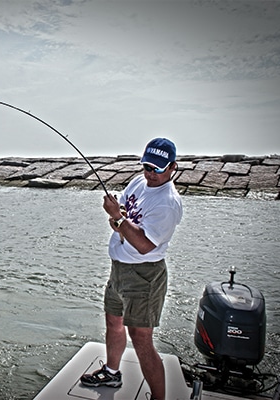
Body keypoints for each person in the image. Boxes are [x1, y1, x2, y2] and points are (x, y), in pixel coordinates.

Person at [80, 138, 183, 400]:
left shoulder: (168, 202)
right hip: (119, 269)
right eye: (147, 166)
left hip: (144, 274)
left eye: (157, 169)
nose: (150, 173)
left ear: (172, 167)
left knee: (141, 339)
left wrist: (118, 218)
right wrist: (119, 218)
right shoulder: (139, 181)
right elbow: (123, 215)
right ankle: (112, 373)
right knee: (113, 321)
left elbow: (145, 245)